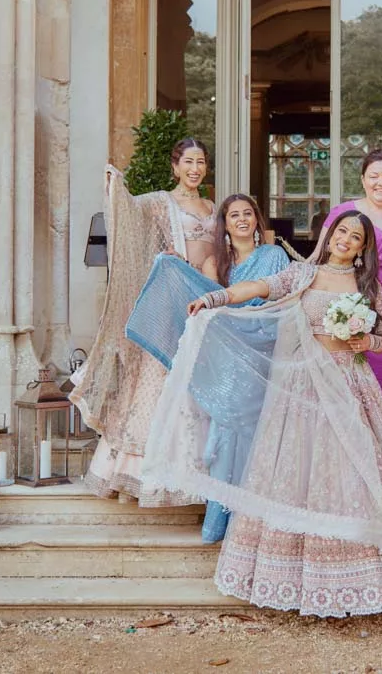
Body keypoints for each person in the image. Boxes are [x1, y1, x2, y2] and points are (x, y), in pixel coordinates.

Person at [142, 210, 382, 617]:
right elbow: (259, 287)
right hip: (305, 387)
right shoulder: (303, 274)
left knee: (356, 469)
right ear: (329, 235)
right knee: (300, 469)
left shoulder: (366, 284)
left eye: (355, 237)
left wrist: (365, 342)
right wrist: (215, 298)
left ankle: (363, 580)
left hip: (351, 385)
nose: (346, 239)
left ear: (362, 249)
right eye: (341, 232)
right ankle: (295, 577)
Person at [123, 194, 289, 542]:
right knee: (226, 433)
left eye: (247, 214)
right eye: (234, 215)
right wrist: (176, 266)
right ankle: (220, 518)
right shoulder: (216, 262)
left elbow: (282, 301)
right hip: (229, 358)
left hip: (262, 352)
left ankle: (251, 520)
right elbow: (208, 303)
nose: (242, 219)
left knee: (257, 435)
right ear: (224, 225)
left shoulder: (274, 256)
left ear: (257, 220)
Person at [69, 138, 216, 505]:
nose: (195, 169)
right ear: (175, 167)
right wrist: (115, 187)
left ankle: (194, 475)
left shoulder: (214, 207)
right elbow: (130, 216)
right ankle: (136, 475)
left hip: (204, 300)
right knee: (157, 379)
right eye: (188, 162)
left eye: (200, 162)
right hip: (172, 300)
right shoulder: (160, 202)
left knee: (194, 383)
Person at [315, 150, 382, 410]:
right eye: (373, 176)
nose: (380, 182)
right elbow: (319, 257)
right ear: (363, 180)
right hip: (348, 320)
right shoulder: (344, 213)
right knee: (348, 405)